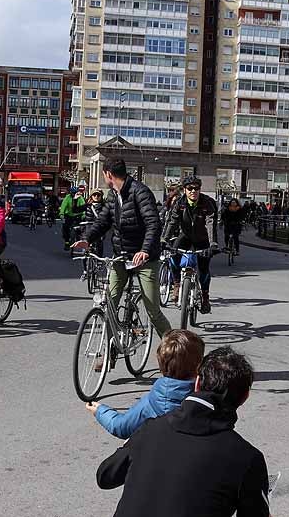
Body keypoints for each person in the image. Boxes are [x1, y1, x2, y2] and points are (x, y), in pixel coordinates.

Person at [97, 346, 274, 517]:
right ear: (244, 397)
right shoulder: (246, 457)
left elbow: (105, 476)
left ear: (197, 382)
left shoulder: (151, 429)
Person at [72, 158, 172, 339]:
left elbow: (153, 224)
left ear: (108, 174)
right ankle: (109, 351)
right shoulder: (112, 195)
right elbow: (102, 222)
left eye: (103, 174)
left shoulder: (140, 192)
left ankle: (176, 352)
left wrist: (145, 250)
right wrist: (86, 239)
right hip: (121, 257)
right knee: (110, 303)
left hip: (145, 259)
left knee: (153, 311)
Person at [87, 329, 203, 439]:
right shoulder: (208, 400)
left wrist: (101, 411)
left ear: (161, 367)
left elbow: (120, 426)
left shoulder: (151, 402)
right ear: (199, 366)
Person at [163, 176, 219, 314]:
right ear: (184, 190)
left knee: (204, 269)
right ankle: (176, 284)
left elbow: (210, 223)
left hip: (203, 239)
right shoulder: (180, 203)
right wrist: (164, 239)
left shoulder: (207, 203)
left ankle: (205, 297)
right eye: (190, 188)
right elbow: (173, 222)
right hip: (186, 236)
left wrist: (212, 244)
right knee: (173, 256)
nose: (193, 191)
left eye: (196, 188)